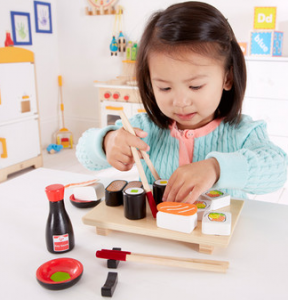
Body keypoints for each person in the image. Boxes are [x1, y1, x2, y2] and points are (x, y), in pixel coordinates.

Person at [76, 1, 287, 203]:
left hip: (219, 237)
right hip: (161, 236)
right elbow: (84, 153)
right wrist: (107, 142)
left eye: (195, 86)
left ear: (227, 78)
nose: (180, 101)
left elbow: (278, 169)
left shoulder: (243, 132)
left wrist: (216, 168)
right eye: (164, 88)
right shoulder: (144, 129)